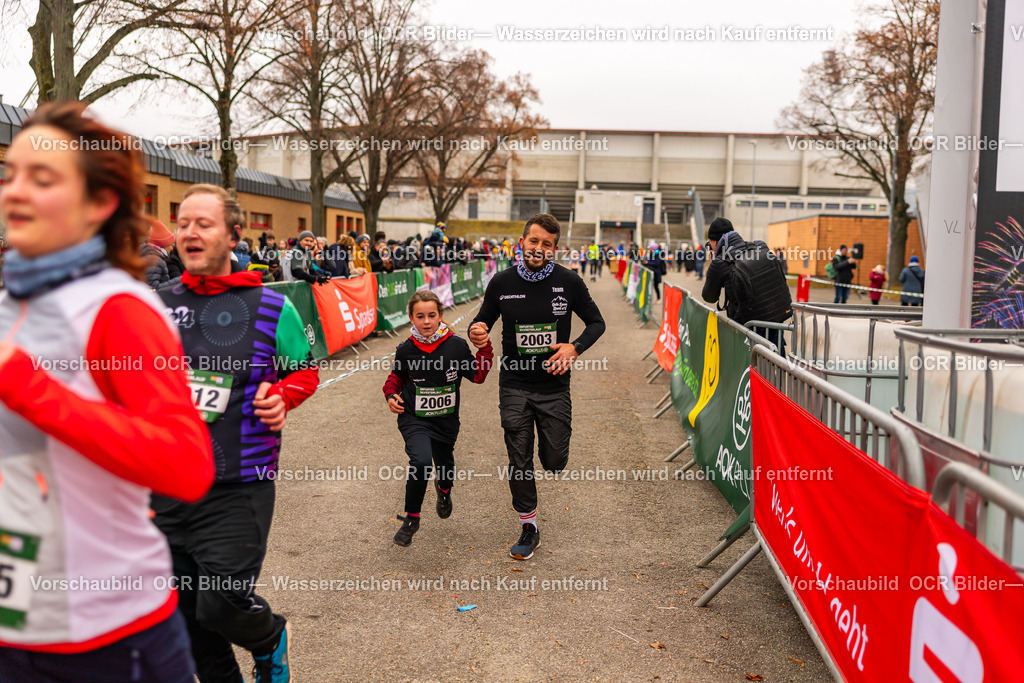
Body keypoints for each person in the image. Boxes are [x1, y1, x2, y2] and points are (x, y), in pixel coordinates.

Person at [0, 102, 214, 681]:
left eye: (41, 178)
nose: (14, 192)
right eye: (10, 174)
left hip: (109, 638)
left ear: (99, 203)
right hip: (13, 626)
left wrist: (27, 387)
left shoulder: (119, 308)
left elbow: (185, 464)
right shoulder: (11, 302)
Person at [153, 183, 320, 683]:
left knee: (221, 606)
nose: (190, 233)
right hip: (167, 487)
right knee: (184, 620)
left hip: (238, 485)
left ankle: (268, 639)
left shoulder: (271, 307)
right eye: (182, 224)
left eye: (203, 224)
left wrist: (283, 396)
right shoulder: (155, 305)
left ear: (233, 235)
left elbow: (304, 369)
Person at [469, 214, 606, 560]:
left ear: (555, 248)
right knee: (519, 455)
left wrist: (574, 347)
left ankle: (553, 457)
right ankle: (529, 526)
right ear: (523, 242)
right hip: (514, 384)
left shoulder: (569, 282)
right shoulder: (501, 282)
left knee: (555, 460)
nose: (538, 248)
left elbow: (597, 322)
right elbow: (482, 319)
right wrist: (477, 330)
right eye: (534, 241)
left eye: (547, 244)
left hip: (553, 387)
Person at [381, 291, 494, 546]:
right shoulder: (407, 349)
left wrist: (485, 349)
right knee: (421, 462)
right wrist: (390, 395)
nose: (427, 321)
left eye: (432, 315)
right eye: (420, 316)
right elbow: (395, 378)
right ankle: (412, 518)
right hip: (414, 418)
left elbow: (477, 376)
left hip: (445, 421)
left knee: (444, 464)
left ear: (441, 316)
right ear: (411, 318)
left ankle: (444, 492)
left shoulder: (455, 345)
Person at [701, 217, 791, 354]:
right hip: (774, 320)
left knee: (750, 370)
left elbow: (709, 297)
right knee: (776, 366)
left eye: (710, 243)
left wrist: (714, 266)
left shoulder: (720, 262)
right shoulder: (760, 246)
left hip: (746, 329)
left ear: (715, 242)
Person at [143, 217, 176, 288]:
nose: (172, 248)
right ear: (164, 244)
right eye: (171, 245)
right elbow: (153, 287)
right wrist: (176, 281)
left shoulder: (156, 257)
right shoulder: (155, 260)